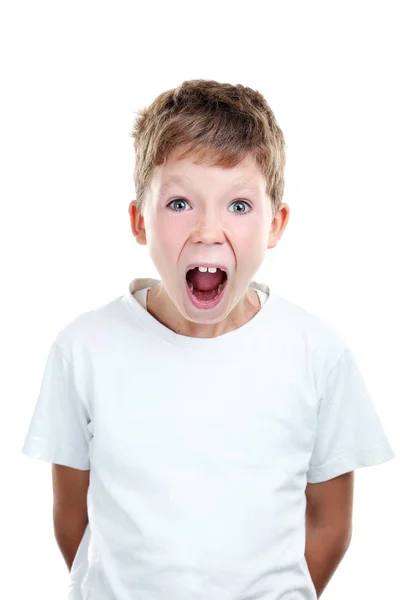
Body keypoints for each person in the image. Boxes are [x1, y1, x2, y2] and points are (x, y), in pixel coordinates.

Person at [21, 79, 395, 600]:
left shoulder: (317, 352)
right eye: (179, 203)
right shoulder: (83, 349)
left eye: (238, 206)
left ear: (276, 224)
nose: (207, 230)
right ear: (138, 221)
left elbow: (331, 524)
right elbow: (71, 519)